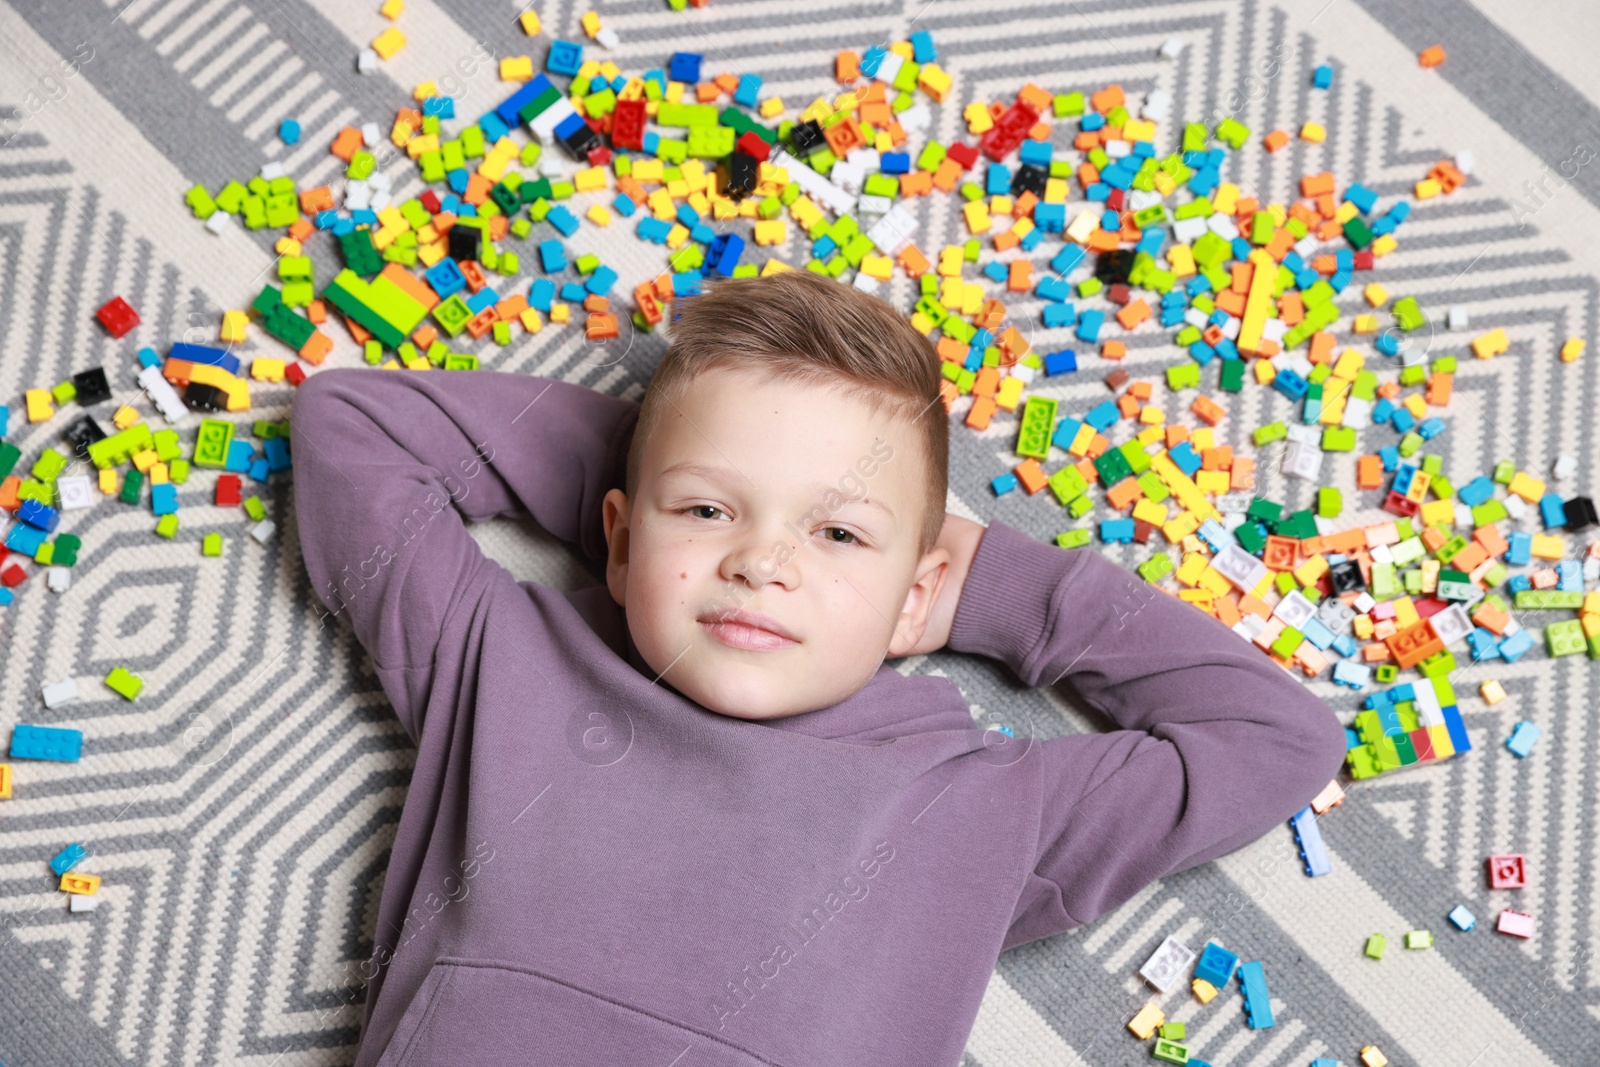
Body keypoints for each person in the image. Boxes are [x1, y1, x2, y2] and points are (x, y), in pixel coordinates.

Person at [291, 268, 1347, 1066]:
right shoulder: (501, 658)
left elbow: (1275, 740)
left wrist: (988, 583)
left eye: (839, 536)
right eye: (710, 512)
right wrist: (658, 468)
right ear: (616, 538)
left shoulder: (985, 803)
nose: (763, 560)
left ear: (917, 591)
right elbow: (357, 423)